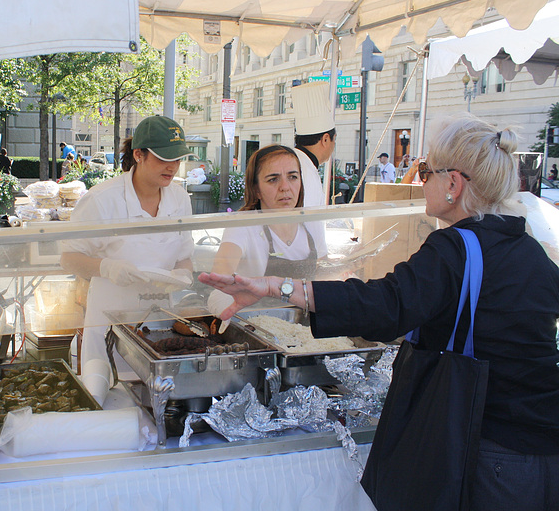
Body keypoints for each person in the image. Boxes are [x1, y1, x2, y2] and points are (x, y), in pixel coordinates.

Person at [199, 113, 559, 510]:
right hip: (540, 441)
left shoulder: (454, 248)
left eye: (426, 171)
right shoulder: (528, 248)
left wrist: (277, 286)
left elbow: (386, 306)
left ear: (453, 184)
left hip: (487, 445)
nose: (422, 180)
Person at [60, 116, 195, 403]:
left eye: (178, 158)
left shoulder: (180, 199)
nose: (172, 167)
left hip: (158, 328)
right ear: (139, 155)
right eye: (163, 158)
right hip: (109, 327)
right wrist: (105, 267)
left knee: (156, 400)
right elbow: (69, 259)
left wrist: (183, 276)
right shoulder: (102, 201)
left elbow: (184, 257)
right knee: (110, 402)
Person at [207, 144, 327, 324]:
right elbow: (222, 266)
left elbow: (322, 273)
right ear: (256, 189)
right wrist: (226, 282)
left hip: (305, 327)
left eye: (293, 177)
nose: (285, 187)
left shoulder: (311, 223)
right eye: (273, 179)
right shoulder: (243, 224)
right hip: (257, 325)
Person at [291, 81, 337, 206]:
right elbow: (309, 221)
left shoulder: (296, 160)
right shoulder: (303, 170)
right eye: (335, 140)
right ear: (326, 139)